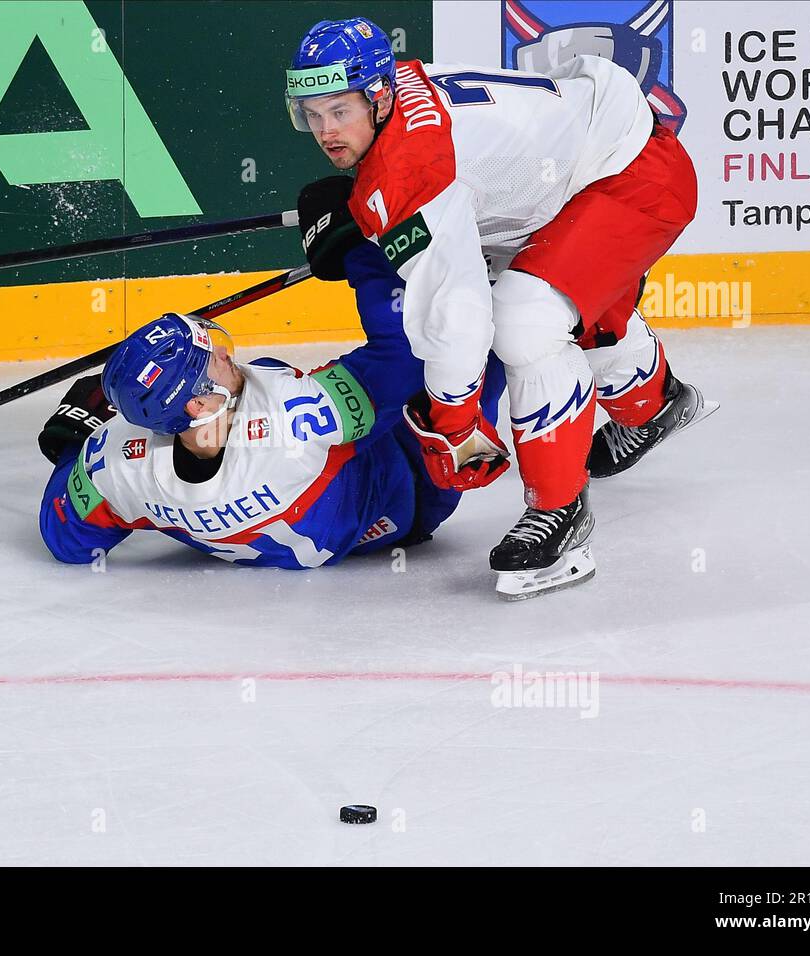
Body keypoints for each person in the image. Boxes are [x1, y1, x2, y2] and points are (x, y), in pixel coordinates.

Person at [285, 16, 714, 599]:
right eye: (312, 113)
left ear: (379, 96)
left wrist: (453, 423)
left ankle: (560, 515)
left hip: (632, 177)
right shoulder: (402, 104)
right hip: (575, 172)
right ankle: (654, 402)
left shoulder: (407, 169)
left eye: (340, 111)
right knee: (557, 304)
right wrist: (368, 212)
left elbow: (457, 318)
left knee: (523, 319)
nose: (325, 129)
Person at [37, 184, 504, 570]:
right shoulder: (298, 422)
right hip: (408, 489)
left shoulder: (115, 462)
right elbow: (410, 353)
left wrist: (72, 450)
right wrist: (356, 248)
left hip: (315, 520)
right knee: (479, 343)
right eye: (213, 358)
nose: (225, 349)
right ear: (199, 403)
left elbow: (66, 540)